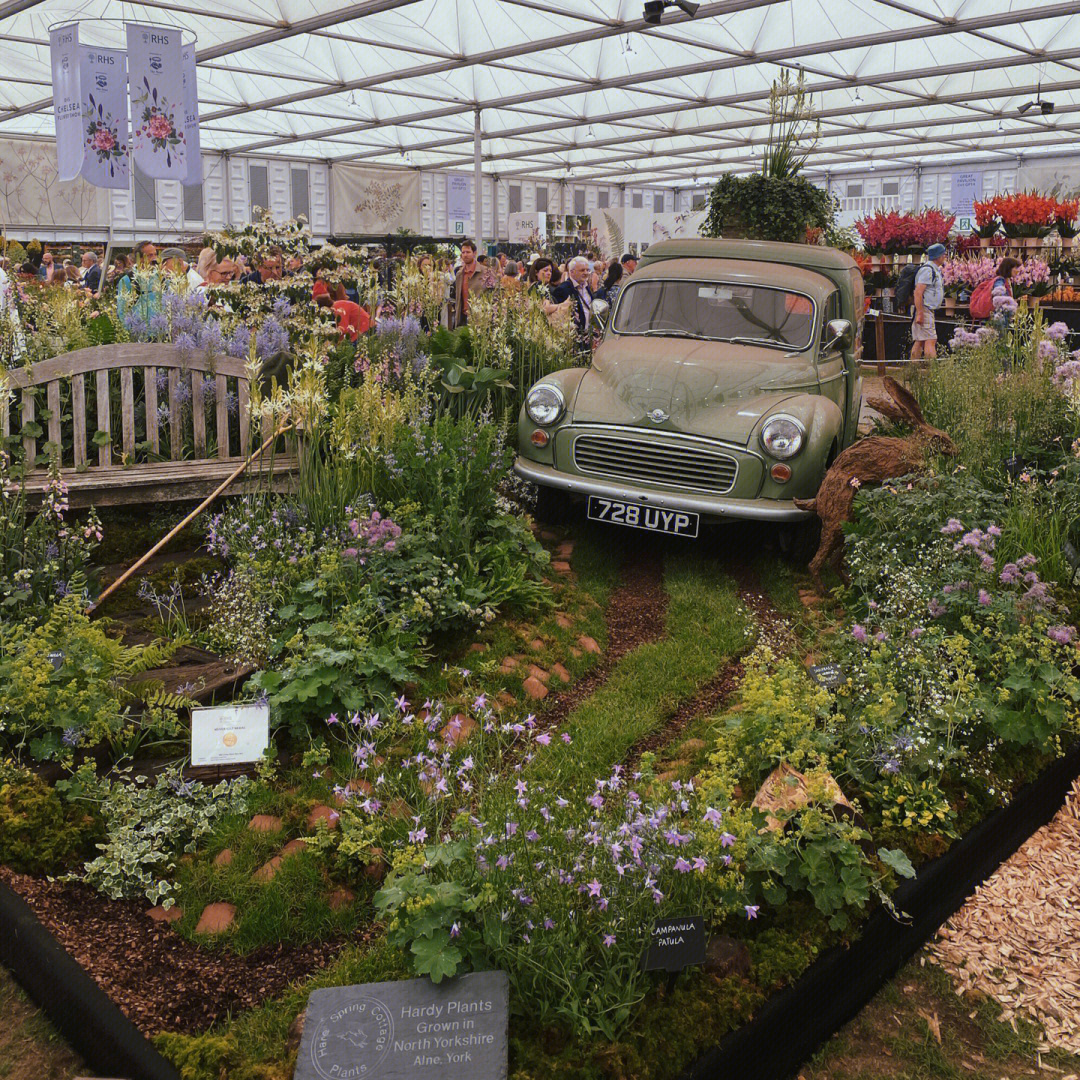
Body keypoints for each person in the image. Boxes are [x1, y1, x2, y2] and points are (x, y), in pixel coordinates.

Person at [911, 243, 946, 361]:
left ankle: (912, 371)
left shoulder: (933, 269)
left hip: (926, 309)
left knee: (920, 340)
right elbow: (918, 292)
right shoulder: (928, 270)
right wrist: (920, 313)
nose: (945, 256)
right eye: (943, 254)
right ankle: (932, 371)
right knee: (931, 339)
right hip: (925, 309)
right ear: (939, 256)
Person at [450, 239, 494, 328]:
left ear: (474, 253)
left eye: (468, 252)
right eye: (463, 252)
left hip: (480, 319)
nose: (465, 255)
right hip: (462, 318)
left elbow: (496, 292)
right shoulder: (459, 274)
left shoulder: (486, 272)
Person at [550, 255, 595, 338]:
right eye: (582, 270)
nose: (586, 273)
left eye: (587, 270)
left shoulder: (586, 287)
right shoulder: (562, 289)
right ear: (572, 272)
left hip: (588, 335)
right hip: (573, 337)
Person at [113, 254, 134, 321]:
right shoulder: (115, 272)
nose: (118, 265)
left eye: (120, 263)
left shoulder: (127, 272)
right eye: (117, 263)